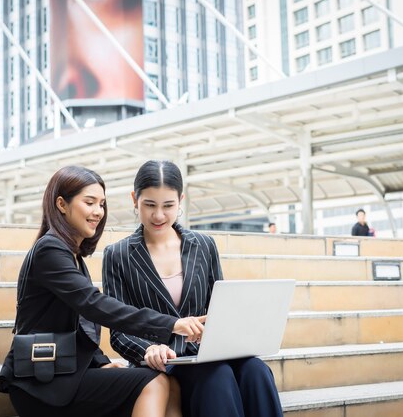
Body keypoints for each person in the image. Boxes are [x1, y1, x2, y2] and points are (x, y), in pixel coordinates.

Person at [0, 166, 206, 417]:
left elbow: (78, 324)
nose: (98, 212)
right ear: (62, 204)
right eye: (89, 203)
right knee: (154, 382)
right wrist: (173, 324)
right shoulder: (49, 251)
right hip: (41, 384)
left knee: (170, 383)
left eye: (102, 204)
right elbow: (95, 305)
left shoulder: (72, 256)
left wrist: (101, 362)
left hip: (65, 373)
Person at [102, 160, 284, 417]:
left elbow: (219, 307)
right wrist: (148, 349)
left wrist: (219, 326)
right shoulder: (118, 255)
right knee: (217, 377)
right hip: (161, 363)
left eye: (168, 206)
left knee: (256, 371)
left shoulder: (204, 246)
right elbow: (118, 330)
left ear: (181, 201)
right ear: (135, 199)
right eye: (149, 205)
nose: (159, 215)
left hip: (204, 354)